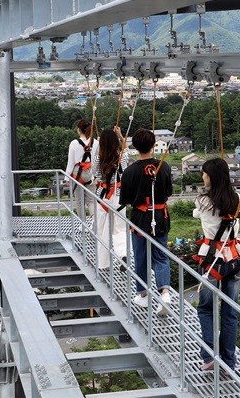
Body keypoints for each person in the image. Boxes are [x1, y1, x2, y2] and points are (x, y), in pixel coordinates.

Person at [193, 158, 240, 371]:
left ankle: (210, 355)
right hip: (233, 258)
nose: (203, 177)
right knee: (230, 311)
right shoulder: (237, 198)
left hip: (211, 259)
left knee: (206, 309)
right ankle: (228, 360)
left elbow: (197, 214)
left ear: (211, 177)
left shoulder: (203, 201)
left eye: (204, 173)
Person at [119, 128, 173, 315]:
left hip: (140, 218)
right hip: (160, 216)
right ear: (153, 145)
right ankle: (165, 292)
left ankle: (143, 295)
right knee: (160, 255)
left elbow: (124, 199)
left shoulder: (130, 171)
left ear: (135, 147)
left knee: (140, 254)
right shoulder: (163, 167)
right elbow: (168, 193)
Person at [92, 127, 131, 270]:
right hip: (120, 196)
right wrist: (121, 136)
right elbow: (127, 150)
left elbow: (95, 175)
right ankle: (123, 254)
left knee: (104, 231)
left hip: (103, 197)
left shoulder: (98, 159)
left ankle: (103, 264)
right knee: (120, 229)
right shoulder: (122, 157)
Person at [66, 118, 95, 200]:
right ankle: (93, 213)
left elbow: (70, 162)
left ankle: (81, 213)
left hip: (78, 173)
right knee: (92, 201)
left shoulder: (74, 143)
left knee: (79, 201)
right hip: (91, 172)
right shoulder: (95, 142)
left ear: (79, 129)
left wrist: (67, 177)